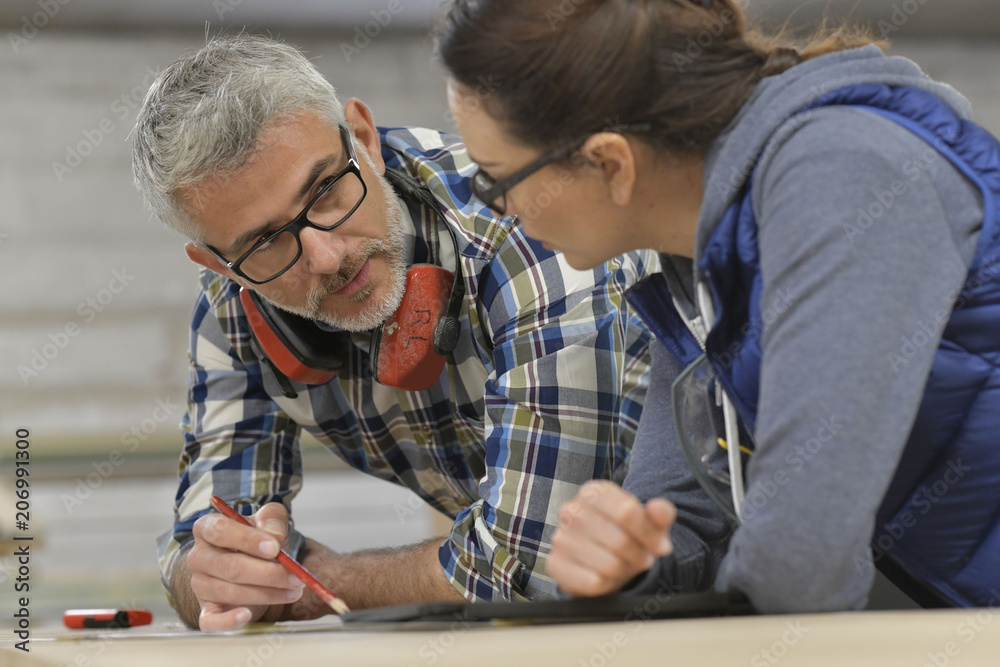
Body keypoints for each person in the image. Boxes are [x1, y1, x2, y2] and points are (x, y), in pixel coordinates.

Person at [437, 0, 1000, 612]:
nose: (498, 209)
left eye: (496, 179)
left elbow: (800, 554)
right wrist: (632, 567)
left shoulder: (844, 172)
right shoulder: (690, 269)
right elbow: (689, 531)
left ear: (609, 162)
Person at [131, 34, 657, 631]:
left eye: (326, 191)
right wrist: (217, 576)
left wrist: (316, 583)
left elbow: (531, 566)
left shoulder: (525, 230)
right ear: (221, 265)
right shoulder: (235, 307)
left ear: (363, 137)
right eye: (264, 243)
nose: (326, 258)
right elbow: (194, 547)